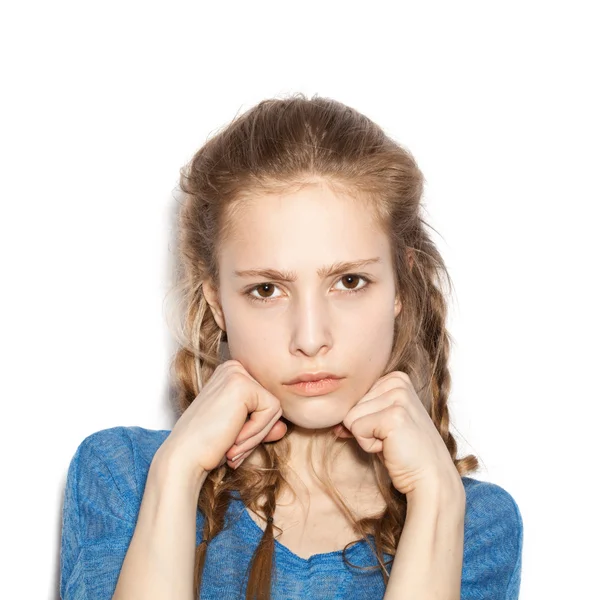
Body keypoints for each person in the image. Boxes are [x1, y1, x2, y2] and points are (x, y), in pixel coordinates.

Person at [59, 93, 523, 600]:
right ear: (217, 304)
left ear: (400, 288)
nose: (309, 339)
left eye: (349, 281)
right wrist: (177, 473)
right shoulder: (123, 476)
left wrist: (436, 506)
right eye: (266, 290)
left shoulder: (475, 522)